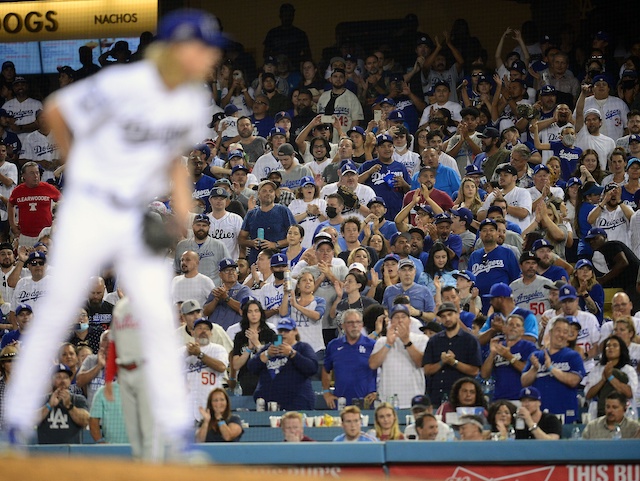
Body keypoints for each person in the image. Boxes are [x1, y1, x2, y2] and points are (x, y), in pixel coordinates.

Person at [5, 9, 228, 455]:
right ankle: (13, 425)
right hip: (89, 205)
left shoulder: (191, 102)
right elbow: (55, 109)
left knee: (157, 318)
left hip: (134, 217)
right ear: (178, 49)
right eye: (203, 48)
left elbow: (173, 158)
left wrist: (181, 210)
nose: (210, 57)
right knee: (54, 312)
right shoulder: (124, 83)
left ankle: (178, 432)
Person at [521, 317, 586, 423]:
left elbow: (574, 381)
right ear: (550, 333)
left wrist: (551, 368)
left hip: (565, 415)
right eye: (558, 330)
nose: (561, 335)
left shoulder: (573, 356)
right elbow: (524, 382)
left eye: (565, 332)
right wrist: (534, 369)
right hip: (539, 416)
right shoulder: (536, 356)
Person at [247, 317, 318, 410]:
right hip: (268, 403)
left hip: (297, 402)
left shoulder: (302, 347)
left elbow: (312, 368)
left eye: (287, 331)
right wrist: (267, 354)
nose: (283, 334)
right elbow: (252, 367)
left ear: (295, 331)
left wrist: (292, 354)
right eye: (280, 331)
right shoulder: (269, 348)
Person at [369, 304, 429, 409]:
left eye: (403, 317)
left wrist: (406, 341)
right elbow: (373, 365)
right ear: (391, 322)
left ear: (409, 321)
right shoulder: (382, 341)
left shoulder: (422, 339)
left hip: (414, 401)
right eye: (396, 317)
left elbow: (421, 362)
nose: (400, 320)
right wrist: (388, 343)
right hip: (388, 401)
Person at [423, 302, 482, 406]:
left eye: (450, 314)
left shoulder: (470, 340)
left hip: (462, 399)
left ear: (457, 315)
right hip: (436, 396)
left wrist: (454, 362)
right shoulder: (434, 341)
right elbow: (427, 370)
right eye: (443, 316)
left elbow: (474, 370)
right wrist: (442, 362)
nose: (447, 319)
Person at [322, 309, 376, 409]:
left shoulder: (372, 345)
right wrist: (326, 392)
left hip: (367, 402)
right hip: (341, 402)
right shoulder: (333, 345)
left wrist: (378, 392)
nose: (354, 325)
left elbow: (383, 369)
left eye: (358, 322)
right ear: (343, 325)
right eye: (350, 322)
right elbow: (326, 369)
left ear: (362, 324)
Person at [181, 317, 228, 423]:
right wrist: (186, 353)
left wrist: (199, 354)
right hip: (187, 408)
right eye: (199, 328)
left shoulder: (218, 349)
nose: (203, 331)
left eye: (207, 329)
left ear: (211, 333)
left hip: (210, 406)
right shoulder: (182, 351)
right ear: (192, 333)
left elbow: (221, 367)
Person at [480, 313, 537, 401]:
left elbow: (529, 371)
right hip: (499, 399)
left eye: (517, 325)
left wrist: (509, 357)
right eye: (510, 324)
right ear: (505, 329)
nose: (514, 327)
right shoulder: (498, 346)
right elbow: (484, 375)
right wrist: (492, 354)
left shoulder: (528, 347)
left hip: (521, 398)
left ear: (522, 331)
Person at [239, 179, 296, 264]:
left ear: (275, 194)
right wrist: (251, 243)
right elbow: (241, 239)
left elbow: (295, 237)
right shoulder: (251, 214)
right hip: (256, 261)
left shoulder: (283, 210)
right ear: (258, 194)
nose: (268, 193)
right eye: (264, 191)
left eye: (271, 191)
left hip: (278, 261)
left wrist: (275, 245)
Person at [8, 162, 61, 247]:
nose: (36, 176)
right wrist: (13, 225)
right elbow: (10, 204)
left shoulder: (48, 188)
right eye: (32, 173)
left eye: (37, 172)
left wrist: (57, 221)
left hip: (46, 235)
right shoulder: (18, 190)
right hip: (25, 235)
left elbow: (63, 201)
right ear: (24, 176)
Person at [231, 298, 276, 396]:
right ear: (246, 315)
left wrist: (257, 344)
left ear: (261, 313)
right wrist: (248, 349)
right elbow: (236, 365)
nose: (254, 314)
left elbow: (274, 361)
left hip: (266, 377)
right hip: (246, 379)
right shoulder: (240, 336)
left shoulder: (271, 334)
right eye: (250, 312)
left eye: (256, 311)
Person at [584, 335, 638, 417]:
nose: (610, 348)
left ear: (621, 349)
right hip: (599, 415)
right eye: (608, 346)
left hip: (625, 415)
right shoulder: (596, 370)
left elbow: (629, 393)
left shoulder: (628, 370)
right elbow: (588, 394)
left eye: (615, 345)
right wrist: (603, 379)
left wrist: (610, 377)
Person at [37, 363, 90, 444]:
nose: (63, 381)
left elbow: (86, 421)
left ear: (69, 380)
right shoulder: (42, 400)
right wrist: (49, 406)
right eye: (58, 377)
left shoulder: (78, 399)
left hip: (72, 452)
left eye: (66, 377)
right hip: (46, 452)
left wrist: (69, 406)